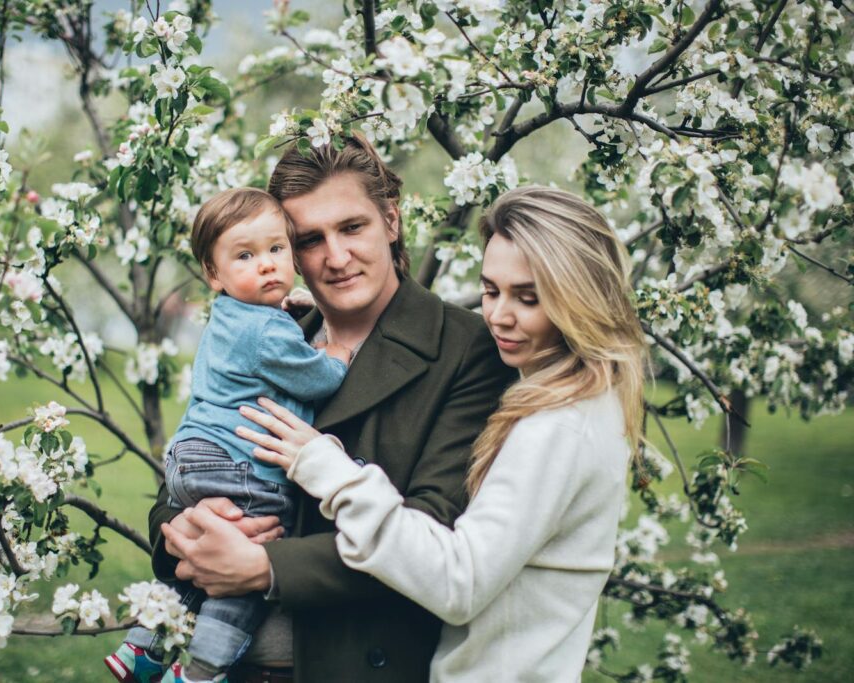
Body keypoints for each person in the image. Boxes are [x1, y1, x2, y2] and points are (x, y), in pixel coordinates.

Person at [228, 185, 648, 682]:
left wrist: (329, 469)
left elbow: (458, 579)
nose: (498, 316)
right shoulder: (557, 400)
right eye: (491, 290)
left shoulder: (560, 427)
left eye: (528, 297)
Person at [149, 136, 515, 682]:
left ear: (390, 220)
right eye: (308, 240)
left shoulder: (466, 351)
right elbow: (199, 451)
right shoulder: (275, 329)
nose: (336, 258)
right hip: (234, 669)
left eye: (351, 227)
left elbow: (436, 532)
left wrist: (265, 568)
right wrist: (179, 528)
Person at [106, 188, 351, 683]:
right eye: (246, 256)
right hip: (239, 464)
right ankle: (201, 671)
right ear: (213, 274)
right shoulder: (267, 331)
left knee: (209, 555)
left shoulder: (230, 315)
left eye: (276, 250)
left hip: (191, 460)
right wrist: (338, 353)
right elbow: (318, 377)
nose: (266, 266)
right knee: (245, 563)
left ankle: (141, 647)